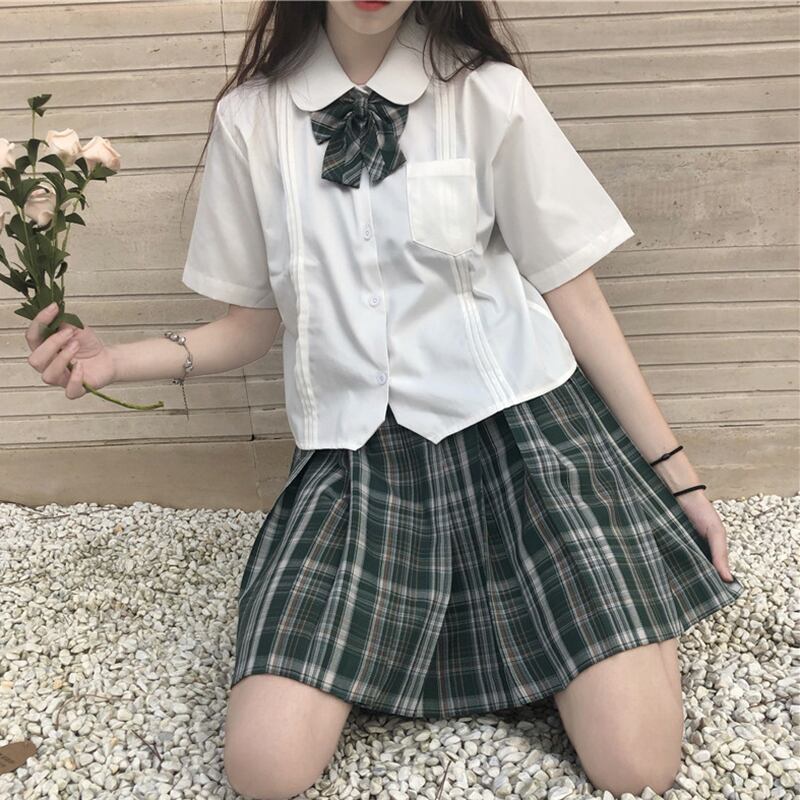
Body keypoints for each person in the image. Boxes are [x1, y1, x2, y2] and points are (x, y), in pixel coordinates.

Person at [23, 1, 745, 798]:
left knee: (637, 767)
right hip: (355, 467)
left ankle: (625, 581)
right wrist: (115, 363)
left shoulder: (486, 93)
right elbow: (249, 326)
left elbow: (577, 299)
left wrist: (679, 478)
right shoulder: (251, 120)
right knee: (265, 770)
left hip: (526, 442)